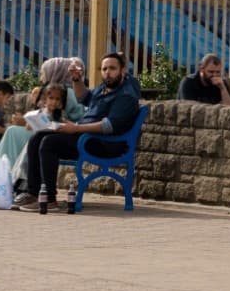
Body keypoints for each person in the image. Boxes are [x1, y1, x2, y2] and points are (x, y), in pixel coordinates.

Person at [19, 52, 141, 213]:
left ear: (123, 70)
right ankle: (34, 193)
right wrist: (77, 80)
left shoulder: (125, 95)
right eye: (104, 69)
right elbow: (84, 97)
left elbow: (109, 126)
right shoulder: (103, 89)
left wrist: (76, 128)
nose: (107, 72)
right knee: (38, 137)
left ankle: (49, 198)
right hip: (86, 136)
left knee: (49, 143)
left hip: (105, 143)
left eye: (112, 68)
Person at [0, 58, 87, 190]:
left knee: (13, 132)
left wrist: (27, 121)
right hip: (48, 132)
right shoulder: (55, 90)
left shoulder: (66, 93)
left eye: (43, 72)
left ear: (54, 71)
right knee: (13, 131)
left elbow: (60, 121)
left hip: (59, 135)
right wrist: (28, 120)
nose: (41, 77)